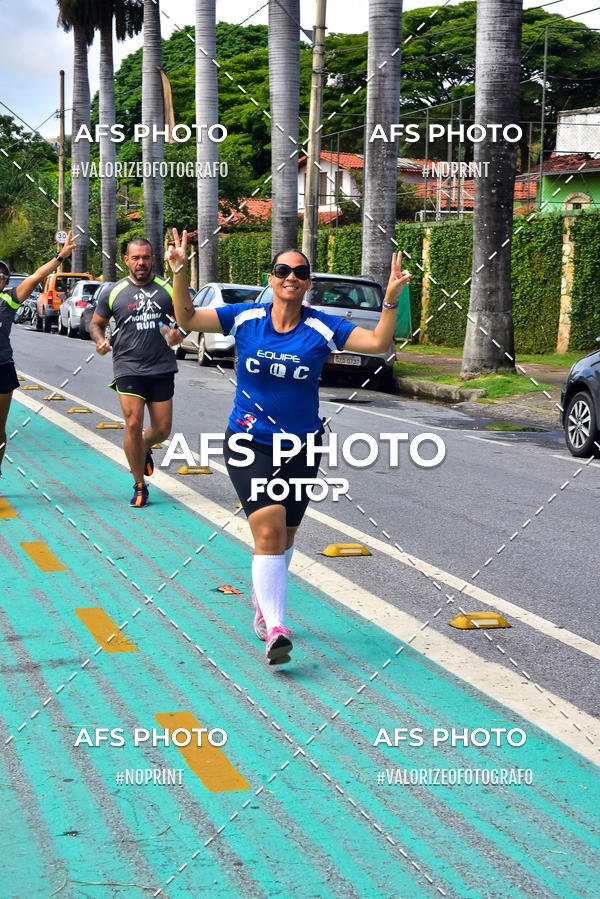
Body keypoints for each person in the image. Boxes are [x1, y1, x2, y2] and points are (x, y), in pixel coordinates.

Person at [168, 228, 410, 666]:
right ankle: (276, 628)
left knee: (287, 535)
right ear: (272, 277)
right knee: (267, 529)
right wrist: (181, 273)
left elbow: (377, 344)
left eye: (300, 272)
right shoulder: (245, 317)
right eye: (283, 270)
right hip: (249, 441)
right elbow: (186, 319)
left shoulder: (321, 326)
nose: (291, 277)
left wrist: (390, 299)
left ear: (307, 282)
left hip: (301, 446)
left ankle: (265, 602)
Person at [90, 237, 183, 507]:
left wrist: (180, 334)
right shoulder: (114, 291)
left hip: (162, 367)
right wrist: (99, 340)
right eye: (135, 258)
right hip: (128, 366)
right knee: (132, 424)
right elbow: (97, 323)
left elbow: (188, 317)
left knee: (163, 430)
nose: (141, 262)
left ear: (153, 259)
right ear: (127, 261)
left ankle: (143, 448)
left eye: (145, 257)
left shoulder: (168, 287)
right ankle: (140, 484)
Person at [0, 233, 79, 476]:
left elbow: (36, 276)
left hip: (2, 366)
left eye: (2, 276)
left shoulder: (8, 300)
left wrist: (59, 257)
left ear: (5, 282)